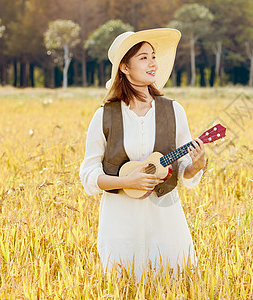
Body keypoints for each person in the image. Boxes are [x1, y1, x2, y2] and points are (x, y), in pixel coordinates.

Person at [79, 28, 205, 277]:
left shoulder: (173, 110)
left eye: (154, 56)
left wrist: (197, 165)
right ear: (125, 67)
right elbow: (89, 174)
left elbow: (182, 167)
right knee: (124, 282)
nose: (153, 63)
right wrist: (126, 181)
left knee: (174, 280)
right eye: (143, 57)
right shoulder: (105, 115)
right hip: (121, 218)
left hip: (165, 216)